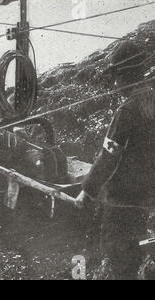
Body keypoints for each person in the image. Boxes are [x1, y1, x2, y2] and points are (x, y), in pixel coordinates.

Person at [76, 41, 155, 280]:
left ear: (123, 76)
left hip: (124, 203)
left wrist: (87, 191)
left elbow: (108, 158)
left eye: (116, 78)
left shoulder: (126, 111)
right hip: (150, 200)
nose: (114, 85)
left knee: (120, 260)